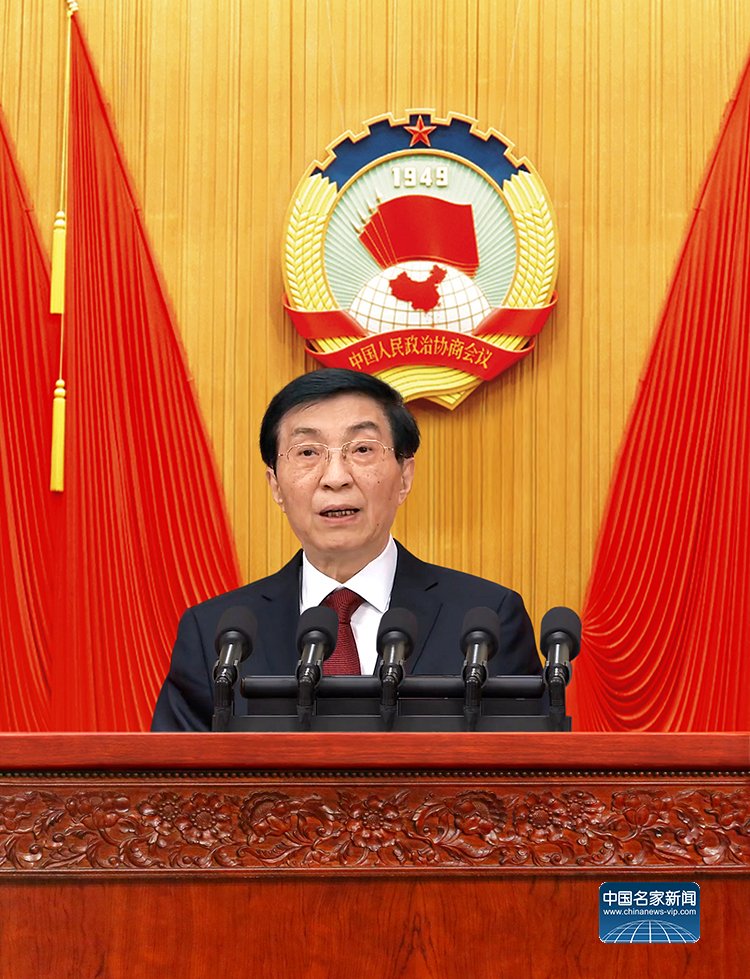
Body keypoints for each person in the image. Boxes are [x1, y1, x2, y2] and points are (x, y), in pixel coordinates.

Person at [152, 368, 540, 731]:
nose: (335, 478)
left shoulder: (486, 621)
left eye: (362, 449)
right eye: (308, 452)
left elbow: (526, 770)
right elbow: (173, 777)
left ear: (405, 476)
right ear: (275, 486)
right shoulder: (215, 635)